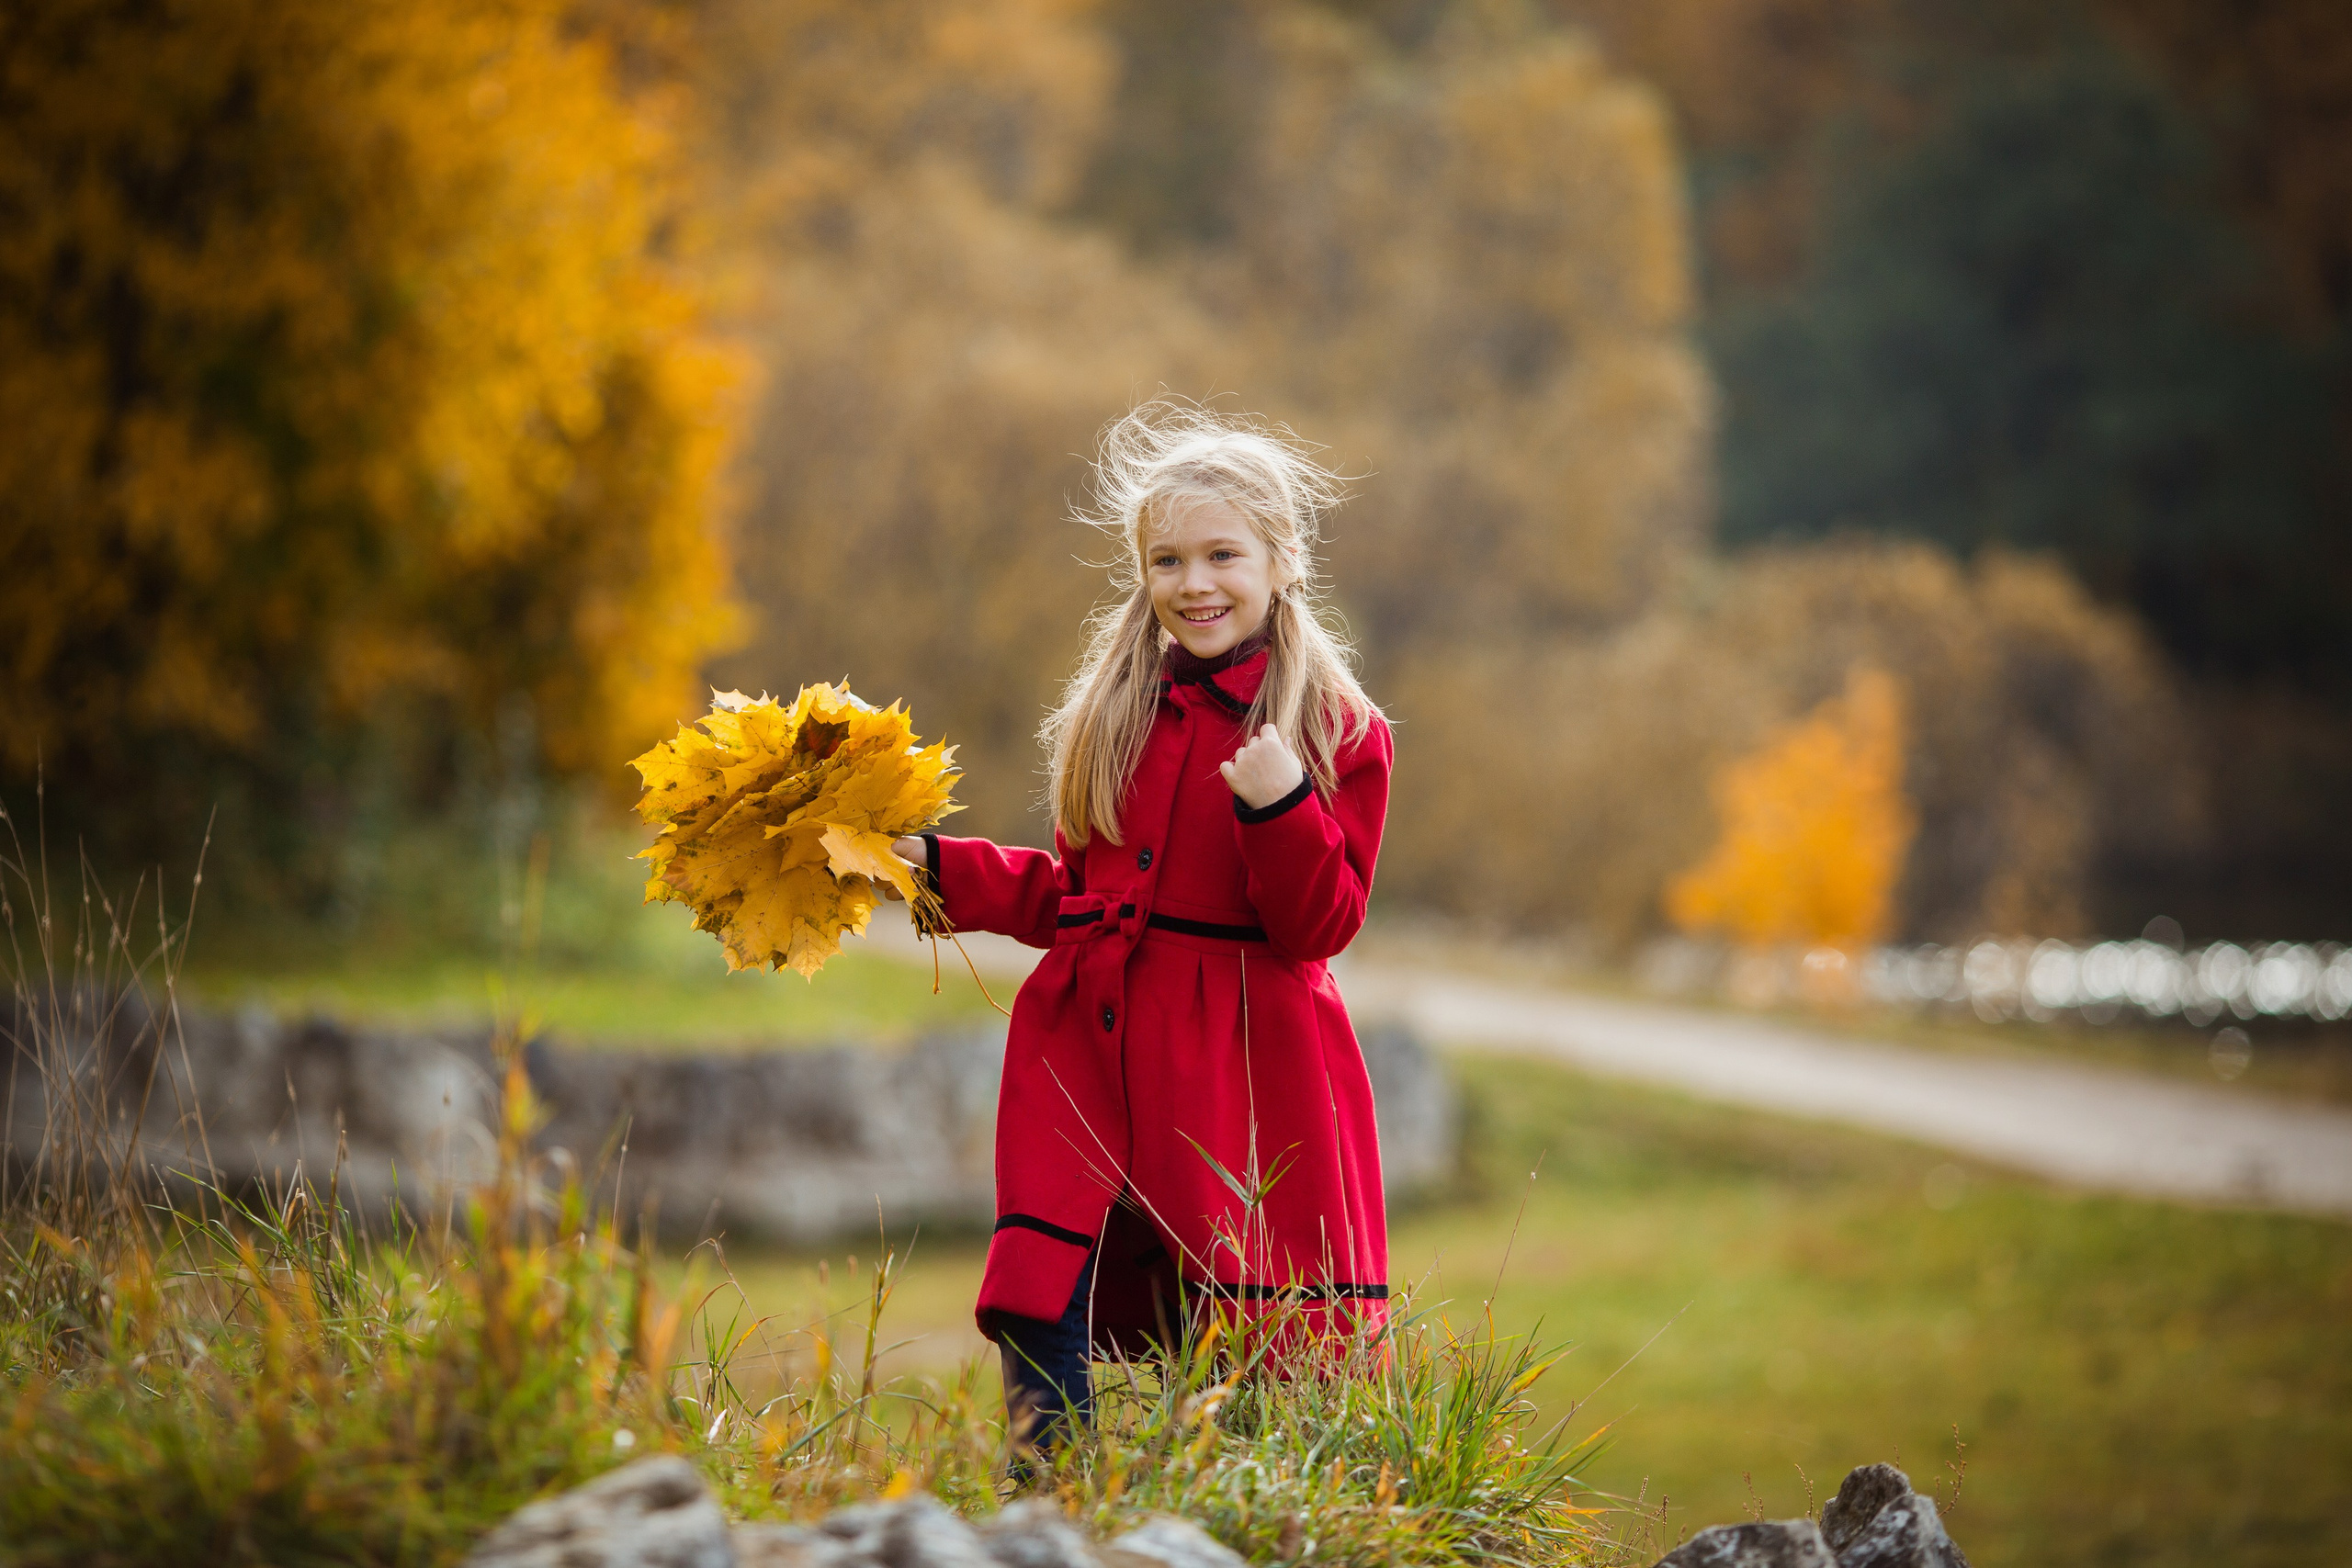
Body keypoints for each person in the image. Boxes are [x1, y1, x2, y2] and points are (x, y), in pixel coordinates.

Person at [888, 400, 1394, 1463]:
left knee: (1229, 1324)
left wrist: (1280, 806)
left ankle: (1222, 1504)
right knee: (1035, 1290)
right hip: (1087, 1044)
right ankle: (1052, 1497)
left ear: (1282, 559)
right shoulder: (1113, 713)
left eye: (1222, 554)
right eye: (1167, 559)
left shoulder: (1336, 730)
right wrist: (933, 874)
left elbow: (1321, 929)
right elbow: (1073, 896)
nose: (1194, 582)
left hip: (1240, 1063)